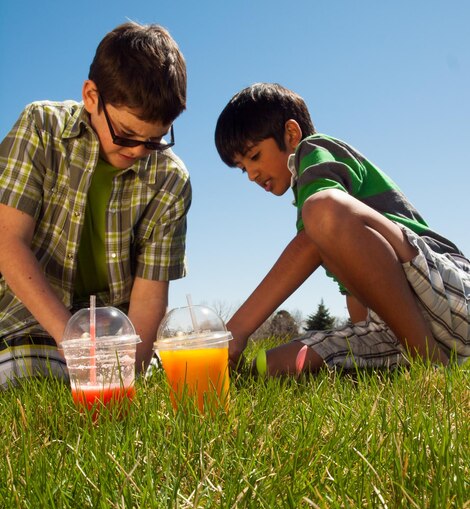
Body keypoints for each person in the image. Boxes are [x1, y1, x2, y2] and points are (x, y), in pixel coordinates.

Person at [214, 83, 469, 376]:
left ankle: (432, 366)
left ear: (291, 135)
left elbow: (313, 236)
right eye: (242, 168)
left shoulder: (314, 151)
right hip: (404, 325)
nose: (251, 174)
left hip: (450, 295)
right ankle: (419, 358)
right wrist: (361, 340)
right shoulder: (312, 206)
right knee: (266, 367)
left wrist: (236, 331)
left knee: (321, 210)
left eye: (254, 156)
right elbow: (359, 288)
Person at [0, 22, 191, 388]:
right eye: (126, 134)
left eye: (154, 141)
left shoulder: (170, 180)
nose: (137, 151)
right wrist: (72, 342)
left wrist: (128, 374)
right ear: (91, 96)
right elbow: (9, 243)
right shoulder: (41, 128)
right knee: (28, 373)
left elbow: (150, 296)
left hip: (112, 338)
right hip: (29, 320)